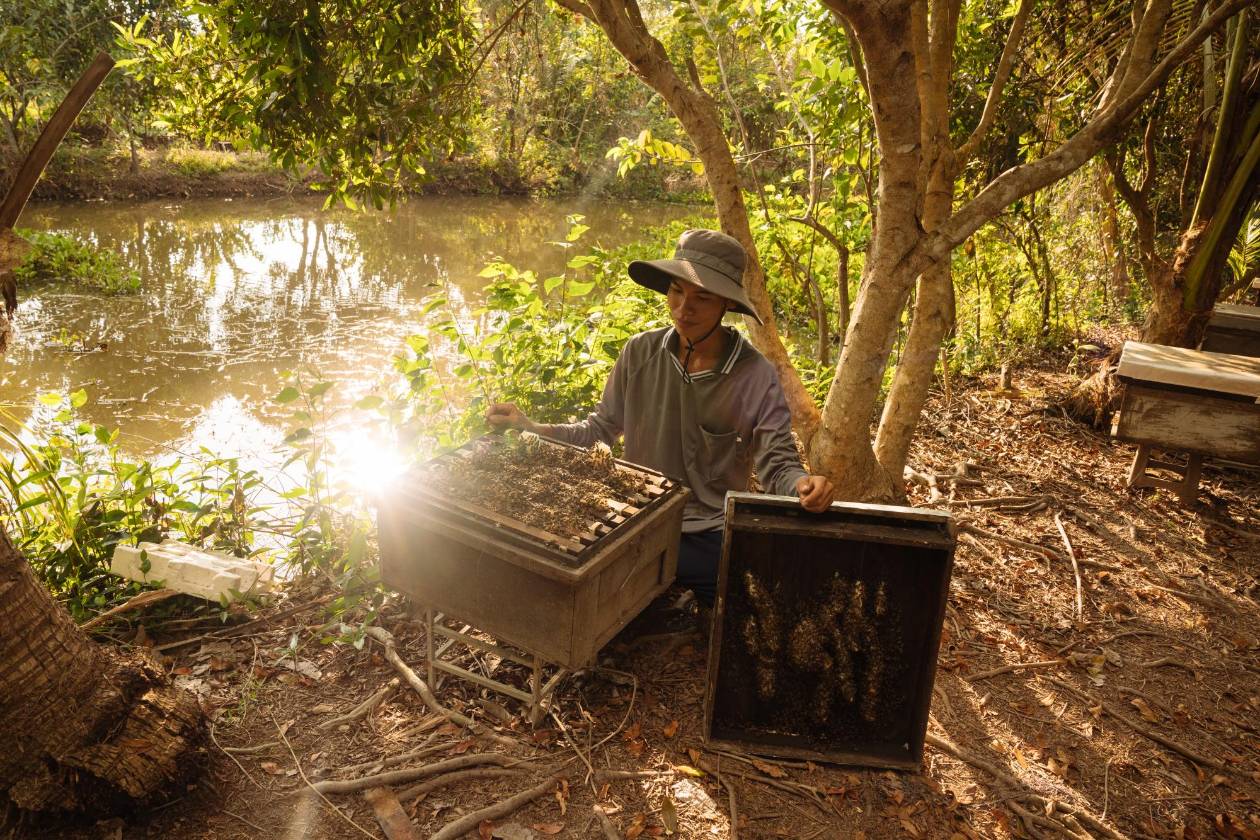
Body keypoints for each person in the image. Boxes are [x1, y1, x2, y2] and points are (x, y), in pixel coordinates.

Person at [486, 228, 835, 607]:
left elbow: (777, 461)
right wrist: (531, 428)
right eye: (676, 291)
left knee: (756, 597)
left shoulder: (754, 374)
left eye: (702, 297)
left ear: (726, 306)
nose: (685, 308)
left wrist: (803, 484)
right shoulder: (639, 352)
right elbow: (599, 430)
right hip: (633, 520)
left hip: (709, 528)